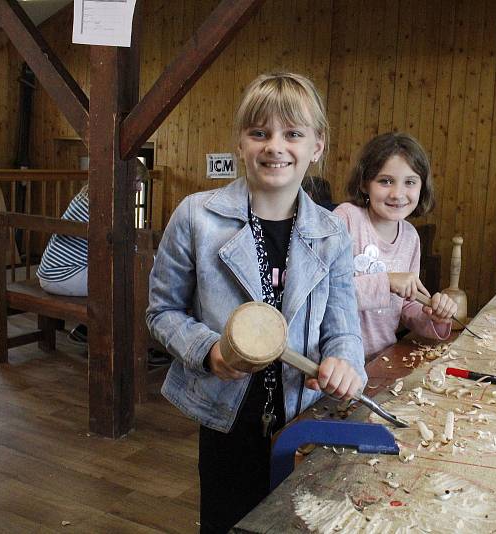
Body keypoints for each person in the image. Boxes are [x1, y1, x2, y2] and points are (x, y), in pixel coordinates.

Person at [145, 72, 366, 533]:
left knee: (297, 520)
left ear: (317, 146)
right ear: (241, 142)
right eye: (259, 133)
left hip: (302, 415)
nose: (275, 146)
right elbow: (161, 312)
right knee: (228, 522)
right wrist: (208, 349)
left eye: (293, 134)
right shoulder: (196, 217)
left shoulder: (331, 233)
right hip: (226, 415)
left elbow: (342, 326)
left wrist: (345, 360)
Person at [334, 132, 458, 360]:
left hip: (381, 359)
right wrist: (387, 281)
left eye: (409, 182)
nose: (397, 193)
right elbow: (325, 293)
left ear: (422, 187)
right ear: (364, 183)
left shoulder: (410, 237)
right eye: (385, 181)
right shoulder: (346, 219)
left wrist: (433, 316)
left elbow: (407, 308)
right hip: (337, 364)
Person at [37, 160, 149, 343]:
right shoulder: (105, 206)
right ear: (120, 179)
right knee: (133, 279)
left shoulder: (90, 196)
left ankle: (86, 329)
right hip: (64, 275)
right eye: (136, 181)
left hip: (51, 274)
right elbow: (121, 248)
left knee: (125, 273)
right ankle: (141, 341)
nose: (139, 189)